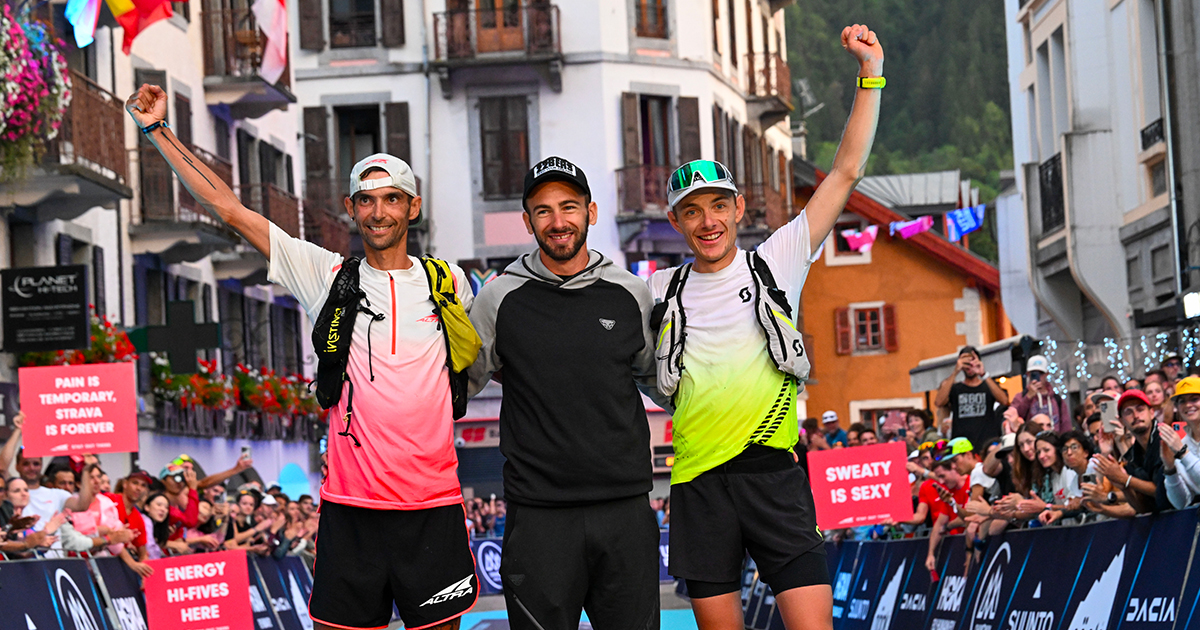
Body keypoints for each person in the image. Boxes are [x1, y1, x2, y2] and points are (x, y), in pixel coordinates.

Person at [126, 83, 477, 629]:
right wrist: (156, 131)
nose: (378, 212)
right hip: (350, 510)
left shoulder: (448, 282)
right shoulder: (326, 274)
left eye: (391, 199)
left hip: (432, 508)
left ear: (413, 205)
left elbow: (482, 361)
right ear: (351, 207)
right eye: (366, 199)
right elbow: (229, 209)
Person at [645, 24, 883, 630]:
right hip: (697, 484)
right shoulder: (657, 290)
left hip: (774, 476)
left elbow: (847, 171)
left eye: (717, 207)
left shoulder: (777, 259)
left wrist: (870, 74)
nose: (707, 222)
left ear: (737, 209)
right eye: (692, 212)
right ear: (676, 222)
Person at [466, 155, 662, 630]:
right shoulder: (498, 298)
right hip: (539, 519)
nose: (558, 222)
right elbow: (459, 385)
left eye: (569, 207)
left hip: (625, 511)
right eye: (543, 210)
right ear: (528, 220)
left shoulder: (631, 293)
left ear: (590, 212)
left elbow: (661, 382)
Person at [1092, 389, 1167, 513]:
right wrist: (1125, 488)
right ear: (1121, 420)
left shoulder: (1163, 439)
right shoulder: (1132, 453)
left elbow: (1162, 491)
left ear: (1152, 413)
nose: (1136, 416)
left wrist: (1125, 479)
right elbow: (1142, 508)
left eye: (1140, 409)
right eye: (1128, 412)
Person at [935, 346, 1010, 451]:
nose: (970, 366)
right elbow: (939, 402)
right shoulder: (956, 388)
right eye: (965, 362)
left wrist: (983, 374)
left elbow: (1004, 401)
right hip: (962, 447)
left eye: (972, 361)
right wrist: (955, 371)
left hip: (986, 445)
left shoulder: (988, 385)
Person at [1162, 376, 1200, 508]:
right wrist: (1170, 469)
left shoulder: (1180, 447)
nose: (1188, 405)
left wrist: (1183, 453)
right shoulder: (1181, 443)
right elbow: (1181, 502)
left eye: (1194, 399)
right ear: (1177, 407)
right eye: (1182, 401)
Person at [1009, 355, 1071, 433]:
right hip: (1031, 441)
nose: (1038, 377)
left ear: (1046, 374)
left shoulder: (1056, 399)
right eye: (1033, 373)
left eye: (1041, 373)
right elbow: (1014, 419)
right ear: (1028, 374)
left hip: (1053, 440)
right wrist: (1028, 397)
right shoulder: (1020, 397)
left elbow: (1066, 424)